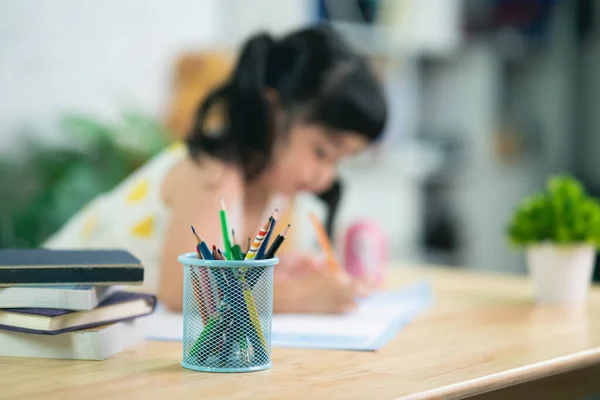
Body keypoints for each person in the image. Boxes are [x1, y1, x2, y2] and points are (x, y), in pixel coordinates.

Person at [44, 24, 387, 313]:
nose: (325, 177)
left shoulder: (282, 197)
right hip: (38, 305)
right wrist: (301, 296)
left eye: (340, 161)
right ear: (273, 111)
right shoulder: (213, 171)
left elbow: (238, 284)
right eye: (322, 151)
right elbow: (186, 290)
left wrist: (284, 275)